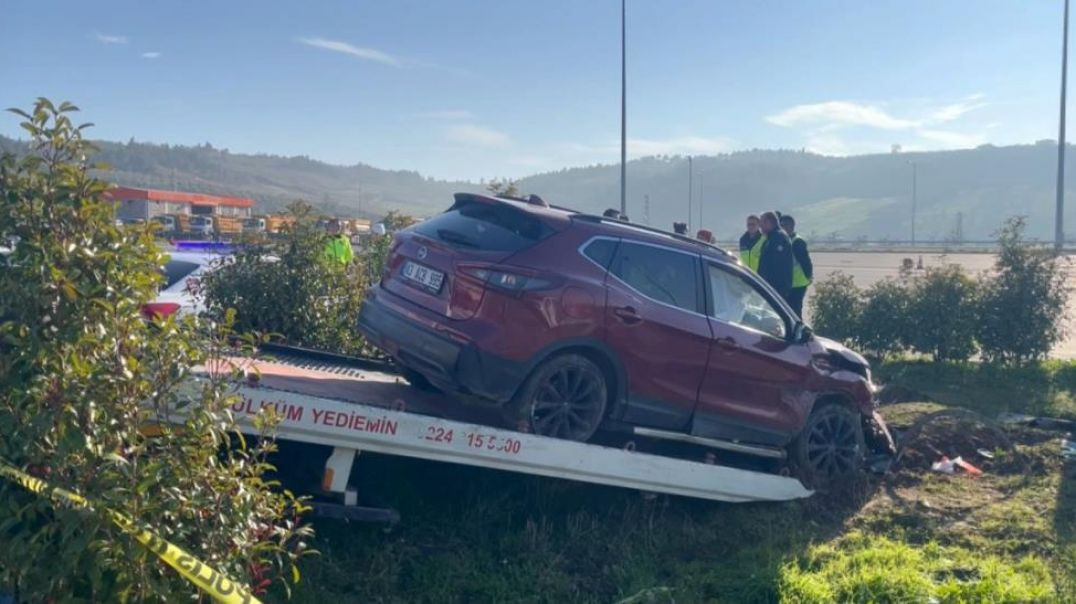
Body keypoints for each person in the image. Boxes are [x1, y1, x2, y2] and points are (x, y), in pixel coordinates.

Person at [779, 214, 813, 317]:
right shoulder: (784, 240)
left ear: (792, 226)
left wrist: (809, 276)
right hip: (789, 283)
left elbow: (806, 262)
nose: (782, 228)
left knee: (795, 311)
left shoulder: (797, 242)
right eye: (781, 225)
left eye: (785, 225)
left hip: (798, 283)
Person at [756, 211, 793, 302]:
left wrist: (772, 288)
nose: (760, 227)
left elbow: (778, 268)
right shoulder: (770, 238)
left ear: (768, 222)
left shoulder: (779, 238)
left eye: (761, 223)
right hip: (769, 288)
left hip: (776, 289)